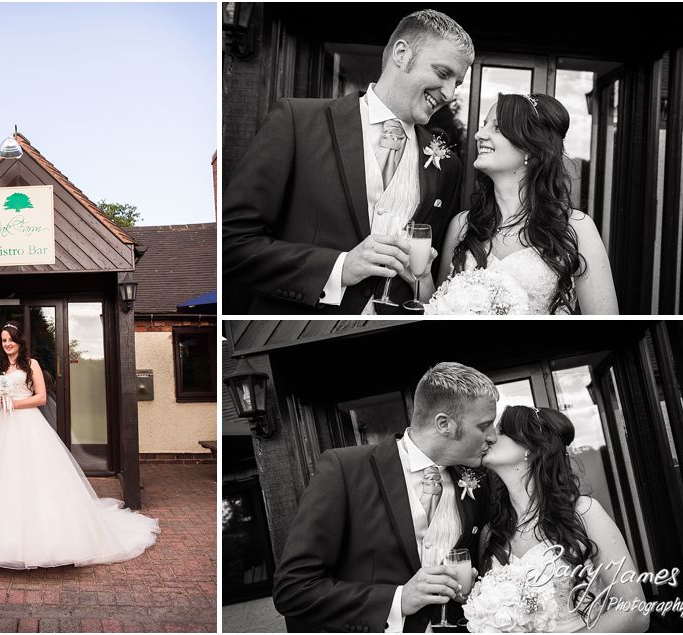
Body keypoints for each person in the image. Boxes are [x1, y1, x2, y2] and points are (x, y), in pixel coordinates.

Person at [223, 9, 473, 314]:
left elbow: (424, 273)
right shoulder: (297, 122)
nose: (449, 93)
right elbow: (231, 244)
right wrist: (340, 267)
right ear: (402, 54)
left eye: (457, 83)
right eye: (442, 73)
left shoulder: (447, 165)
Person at [273, 362, 498, 632]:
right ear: (444, 424)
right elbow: (293, 589)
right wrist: (398, 599)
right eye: (484, 426)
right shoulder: (345, 470)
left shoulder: (477, 483)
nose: (493, 437)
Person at [0, 323, 159, 568]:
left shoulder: (32, 365)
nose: (7, 344)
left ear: (20, 342)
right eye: (4, 340)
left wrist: (14, 404)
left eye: (12, 340)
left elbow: (39, 397)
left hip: (27, 423)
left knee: (35, 475)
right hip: (0, 425)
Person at [436, 93, 619, 314]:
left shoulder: (576, 228)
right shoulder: (463, 225)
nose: (478, 134)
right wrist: (423, 276)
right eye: (484, 125)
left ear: (529, 147)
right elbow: (437, 311)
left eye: (496, 128)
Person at [479, 406, 649, 631]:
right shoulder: (491, 533)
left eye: (501, 431)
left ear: (529, 446)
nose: (490, 437)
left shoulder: (584, 513)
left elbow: (635, 611)